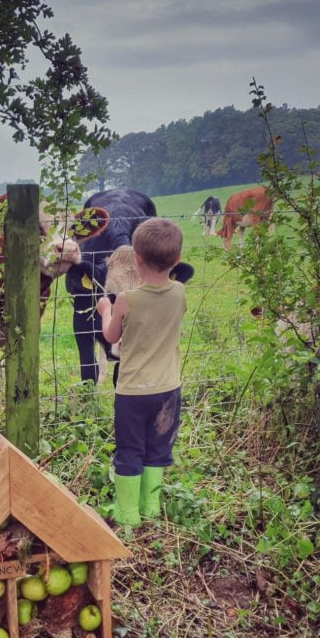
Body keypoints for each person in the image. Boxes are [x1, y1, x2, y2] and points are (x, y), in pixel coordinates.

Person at [96, 217, 186, 526]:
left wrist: (106, 310)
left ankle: (128, 515)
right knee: (158, 449)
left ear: (136, 259)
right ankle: (152, 509)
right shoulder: (179, 294)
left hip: (133, 392)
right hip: (167, 391)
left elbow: (110, 337)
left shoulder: (126, 299)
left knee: (130, 450)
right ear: (177, 260)